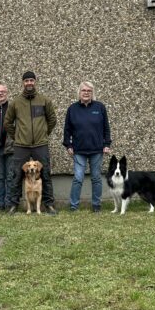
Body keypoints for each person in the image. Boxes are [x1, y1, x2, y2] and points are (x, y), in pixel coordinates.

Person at [4, 71, 57, 215]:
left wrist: (44, 134)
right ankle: (13, 205)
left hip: (40, 144)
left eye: (31, 80)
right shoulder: (16, 102)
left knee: (45, 174)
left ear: (35, 82)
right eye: (26, 80)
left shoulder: (44, 100)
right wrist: (17, 136)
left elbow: (52, 119)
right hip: (21, 145)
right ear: (23, 82)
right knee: (16, 175)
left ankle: (49, 204)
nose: (29, 83)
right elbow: (7, 122)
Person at [63, 81, 111, 212]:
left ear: (92, 93)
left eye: (89, 91)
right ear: (79, 92)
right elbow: (67, 129)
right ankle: (74, 206)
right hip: (79, 150)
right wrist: (68, 145)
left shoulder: (100, 107)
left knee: (96, 178)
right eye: (84, 90)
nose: (86, 93)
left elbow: (106, 127)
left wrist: (107, 144)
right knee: (78, 178)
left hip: (97, 149)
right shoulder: (72, 109)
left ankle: (96, 206)